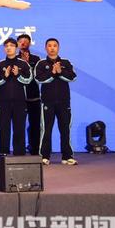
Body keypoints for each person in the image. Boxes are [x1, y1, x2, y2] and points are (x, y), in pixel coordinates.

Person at [34, 38, 78, 166]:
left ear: (58, 48)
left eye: (54, 45)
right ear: (45, 48)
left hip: (64, 102)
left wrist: (60, 72)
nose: (52, 48)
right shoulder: (41, 64)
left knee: (65, 129)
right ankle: (44, 156)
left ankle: (67, 156)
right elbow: (39, 79)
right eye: (49, 46)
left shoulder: (66, 62)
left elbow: (73, 77)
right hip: (47, 102)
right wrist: (53, 73)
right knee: (46, 130)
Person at [0, 38, 32, 157]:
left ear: (16, 48)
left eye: (11, 45)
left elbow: (28, 80)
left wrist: (18, 75)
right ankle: (4, 151)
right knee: (4, 127)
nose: (9, 48)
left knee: (19, 127)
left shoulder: (23, 64)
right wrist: (5, 76)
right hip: (3, 101)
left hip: (20, 101)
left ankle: (19, 152)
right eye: (6, 46)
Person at [17, 34, 42, 155]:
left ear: (30, 44)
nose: (23, 43)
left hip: (34, 96)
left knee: (35, 124)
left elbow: (38, 76)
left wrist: (27, 65)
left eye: (26, 41)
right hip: (18, 97)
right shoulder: (13, 59)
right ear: (17, 44)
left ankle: (35, 148)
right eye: (21, 41)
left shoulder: (36, 59)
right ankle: (19, 149)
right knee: (18, 124)